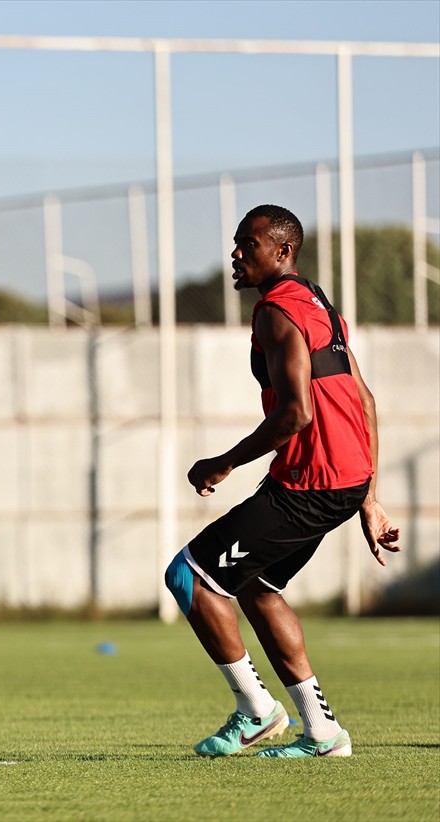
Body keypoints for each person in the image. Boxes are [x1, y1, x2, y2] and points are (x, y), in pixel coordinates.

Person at [165, 204, 401, 760]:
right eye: (236, 243)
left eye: (249, 243)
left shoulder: (276, 310)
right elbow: (361, 400)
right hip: (339, 480)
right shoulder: (318, 302)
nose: (237, 253)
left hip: (309, 484)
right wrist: (368, 496)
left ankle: (257, 711)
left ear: (282, 251)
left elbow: (295, 414)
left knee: (189, 577)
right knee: (256, 585)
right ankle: (321, 732)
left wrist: (222, 462)